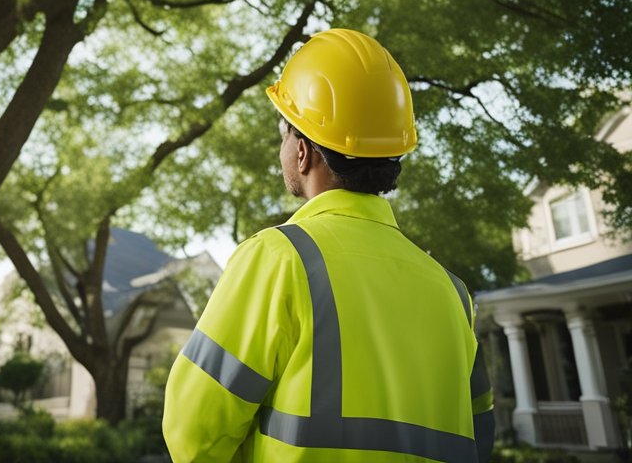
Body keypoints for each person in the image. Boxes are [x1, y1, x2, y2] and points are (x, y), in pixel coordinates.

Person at [163, 28, 495, 462]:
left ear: (303, 152)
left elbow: (194, 435)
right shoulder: (452, 293)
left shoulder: (280, 259)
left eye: (284, 133)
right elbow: (479, 439)